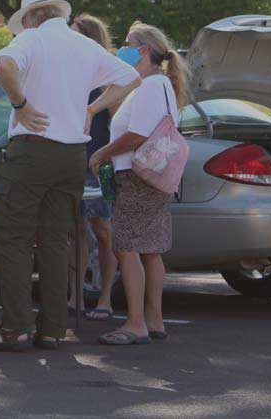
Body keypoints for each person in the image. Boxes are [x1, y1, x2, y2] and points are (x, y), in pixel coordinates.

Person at [0, 0, 140, 353]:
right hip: (72, 154)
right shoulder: (83, 45)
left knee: (15, 239)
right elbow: (129, 76)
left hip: (33, 149)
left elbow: (4, 67)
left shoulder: (32, 39)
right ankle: (52, 329)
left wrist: (20, 103)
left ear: (29, 18)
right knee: (56, 241)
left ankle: (15, 327)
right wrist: (92, 108)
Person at [89, 22, 189, 346]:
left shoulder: (149, 87)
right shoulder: (161, 85)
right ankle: (154, 320)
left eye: (129, 44)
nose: (124, 48)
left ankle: (135, 324)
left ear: (144, 50)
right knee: (150, 249)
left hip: (135, 176)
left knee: (126, 247)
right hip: (154, 178)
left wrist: (102, 153)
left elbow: (138, 135)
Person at [67, 13, 118, 322]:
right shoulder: (69, 71)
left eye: (75, 34)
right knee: (76, 232)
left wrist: (110, 155)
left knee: (104, 231)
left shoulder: (106, 72)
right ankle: (75, 297)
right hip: (73, 158)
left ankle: (106, 298)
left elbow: (118, 118)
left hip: (103, 164)